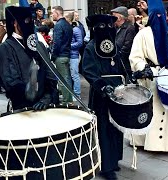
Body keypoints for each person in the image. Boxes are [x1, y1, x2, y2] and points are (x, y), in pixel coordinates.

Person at [129, 0, 168, 153]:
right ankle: (145, 141)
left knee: (167, 110)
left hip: (167, 75)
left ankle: (167, 144)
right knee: (150, 110)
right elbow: (135, 57)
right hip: (150, 77)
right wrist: (144, 68)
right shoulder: (142, 34)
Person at [82, 14, 123, 180]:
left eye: (109, 26)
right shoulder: (91, 47)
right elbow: (88, 70)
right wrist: (101, 85)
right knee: (104, 128)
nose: (106, 30)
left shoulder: (114, 47)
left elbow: (121, 66)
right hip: (101, 95)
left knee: (116, 127)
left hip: (118, 93)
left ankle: (114, 160)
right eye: (101, 26)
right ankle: (106, 166)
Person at [0, 6, 58, 111]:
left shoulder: (39, 46)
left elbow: (49, 73)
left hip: (45, 107)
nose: (28, 24)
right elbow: (10, 81)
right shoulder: (5, 49)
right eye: (25, 20)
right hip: (22, 108)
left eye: (31, 20)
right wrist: (28, 95)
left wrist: (48, 96)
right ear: (15, 23)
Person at [51, 6, 73, 105]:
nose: (52, 15)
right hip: (67, 54)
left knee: (63, 79)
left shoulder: (58, 25)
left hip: (60, 55)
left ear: (57, 13)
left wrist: (53, 56)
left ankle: (67, 101)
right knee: (66, 78)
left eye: (52, 13)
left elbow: (57, 42)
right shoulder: (67, 24)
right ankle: (67, 99)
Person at [111, 6, 136, 79]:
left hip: (124, 64)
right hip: (116, 63)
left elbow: (127, 46)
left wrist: (117, 55)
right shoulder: (115, 28)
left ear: (119, 18)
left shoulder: (129, 28)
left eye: (114, 16)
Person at [65, 12, 83, 99]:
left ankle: (77, 94)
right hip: (69, 55)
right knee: (70, 75)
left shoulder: (76, 29)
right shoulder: (71, 29)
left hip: (74, 55)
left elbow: (80, 43)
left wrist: (68, 46)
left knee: (74, 75)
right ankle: (73, 93)